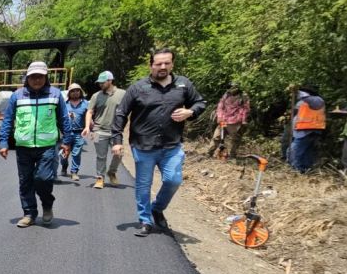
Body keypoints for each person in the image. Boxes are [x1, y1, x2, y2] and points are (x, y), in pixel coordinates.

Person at [112, 48, 206, 237]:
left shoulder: (183, 85)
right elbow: (121, 112)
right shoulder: (138, 88)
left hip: (171, 145)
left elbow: (200, 103)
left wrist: (190, 112)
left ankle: (157, 208)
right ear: (151, 65)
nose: (162, 67)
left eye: (166, 63)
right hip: (143, 145)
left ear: (172, 64)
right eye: (158, 64)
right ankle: (145, 220)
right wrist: (117, 140)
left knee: (173, 180)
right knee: (143, 185)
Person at [0, 61, 66, 227]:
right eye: (33, 77)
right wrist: (3, 142)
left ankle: (47, 204)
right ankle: (29, 213)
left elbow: (63, 119)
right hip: (23, 146)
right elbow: (8, 119)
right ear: (27, 78)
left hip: (47, 146)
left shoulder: (55, 95)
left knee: (43, 178)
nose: (37, 80)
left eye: (40, 76)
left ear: (46, 77)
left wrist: (67, 141)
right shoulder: (18, 96)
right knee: (25, 181)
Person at [82, 70, 126, 188]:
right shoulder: (96, 96)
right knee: (101, 156)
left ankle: (112, 171)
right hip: (98, 130)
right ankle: (100, 178)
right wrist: (87, 127)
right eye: (99, 83)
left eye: (103, 82)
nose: (100, 84)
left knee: (119, 153)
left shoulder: (123, 94)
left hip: (116, 131)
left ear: (110, 81)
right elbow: (89, 111)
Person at [287, 84, 326, 173]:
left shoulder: (316, 100)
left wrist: (296, 91)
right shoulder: (303, 102)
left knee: (295, 151)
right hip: (302, 131)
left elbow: (306, 98)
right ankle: (305, 170)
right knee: (306, 152)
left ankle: (297, 170)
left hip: (308, 131)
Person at [208, 83, 250, 160]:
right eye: (230, 87)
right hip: (224, 120)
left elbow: (246, 109)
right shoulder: (226, 94)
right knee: (217, 137)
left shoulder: (243, 96)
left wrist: (243, 120)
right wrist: (219, 116)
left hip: (235, 121)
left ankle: (232, 156)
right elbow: (220, 106)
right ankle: (209, 153)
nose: (231, 89)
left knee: (235, 139)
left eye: (233, 87)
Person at [60, 83, 87, 181]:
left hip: (79, 133)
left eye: (77, 90)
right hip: (66, 133)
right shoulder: (64, 104)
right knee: (64, 154)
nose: (75, 92)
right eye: (73, 91)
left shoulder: (85, 104)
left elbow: (89, 117)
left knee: (76, 153)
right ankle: (64, 166)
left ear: (80, 92)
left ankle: (74, 172)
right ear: (69, 93)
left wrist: (90, 128)